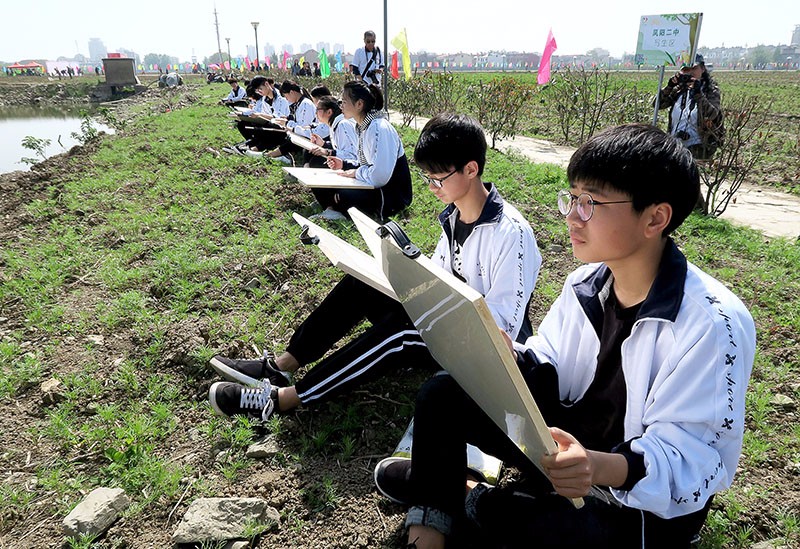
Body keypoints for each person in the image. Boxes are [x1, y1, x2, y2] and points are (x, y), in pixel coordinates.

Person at [376, 123, 756, 548]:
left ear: (655, 217)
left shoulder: (712, 323)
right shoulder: (586, 284)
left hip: (638, 501)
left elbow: (691, 459)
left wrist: (595, 467)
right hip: (565, 455)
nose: (572, 216)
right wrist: (511, 358)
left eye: (590, 202)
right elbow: (550, 362)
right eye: (572, 198)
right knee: (442, 394)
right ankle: (430, 525)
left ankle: (461, 494)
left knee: (563, 531)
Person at [208, 113, 542, 434]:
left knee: (400, 334)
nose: (430, 187)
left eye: (437, 178)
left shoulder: (511, 233)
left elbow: (503, 327)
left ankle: (282, 400)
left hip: (485, 351)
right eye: (426, 177)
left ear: (471, 169)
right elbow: (442, 278)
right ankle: (281, 366)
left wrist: (432, 316)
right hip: (447, 319)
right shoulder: (454, 216)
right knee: (363, 284)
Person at [317, 80, 411, 220]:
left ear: (359, 104)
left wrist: (356, 172)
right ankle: (334, 208)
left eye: (344, 101)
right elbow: (367, 164)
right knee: (325, 182)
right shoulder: (363, 127)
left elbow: (379, 177)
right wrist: (345, 165)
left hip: (390, 196)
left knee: (343, 194)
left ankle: (336, 209)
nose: (341, 106)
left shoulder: (380, 128)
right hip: (372, 185)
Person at [658, 54, 723, 161]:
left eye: (694, 68)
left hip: (699, 147)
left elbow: (712, 114)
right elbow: (657, 105)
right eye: (686, 69)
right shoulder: (679, 90)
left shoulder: (710, 90)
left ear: (702, 69)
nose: (690, 72)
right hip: (676, 144)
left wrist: (698, 93)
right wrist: (669, 87)